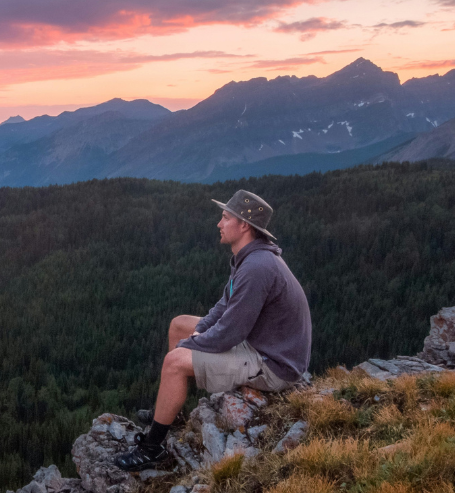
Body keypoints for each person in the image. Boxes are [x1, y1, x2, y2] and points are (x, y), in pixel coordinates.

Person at [113, 189, 312, 471]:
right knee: (179, 325)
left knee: (174, 362)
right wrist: (197, 334)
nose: (219, 224)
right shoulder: (248, 258)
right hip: (262, 344)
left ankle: (152, 449)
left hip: (274, 364)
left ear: (244, 225)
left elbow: (230, 332)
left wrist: (193, 345)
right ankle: (174, 411)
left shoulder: (257, 267)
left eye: (224, 217)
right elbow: (223, 307)